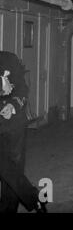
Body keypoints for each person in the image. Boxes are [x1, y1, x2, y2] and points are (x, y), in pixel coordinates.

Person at [0, 51, 46, 213]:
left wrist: (13, 104)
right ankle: (33, 197)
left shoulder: (8, 58)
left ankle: (8, 209)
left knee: (13, 167)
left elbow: (22, 88)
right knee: (5, 167)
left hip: (12, 121)